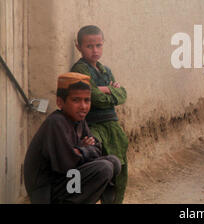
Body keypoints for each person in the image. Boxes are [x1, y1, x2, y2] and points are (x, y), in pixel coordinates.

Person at [24, 73, 122, 204]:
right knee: (104, 168)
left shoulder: (78, 120)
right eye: (76, 100)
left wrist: (80, 151)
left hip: (67, 180)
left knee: (114, 162)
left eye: (87, 100)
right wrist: (83, 150)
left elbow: (97, 149)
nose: (83, 106)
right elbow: (66, 163)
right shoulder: (56, 122)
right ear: (60, 102)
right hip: (48, 190)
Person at [71, 25, 128, 204]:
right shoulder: (80, 69)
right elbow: (94, 98)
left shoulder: (105, 70)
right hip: (93, 126)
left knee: (120, 169)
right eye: (89, 46)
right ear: (78, 46)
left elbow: (123, 94)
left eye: (99, 45)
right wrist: (110, 90)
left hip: (112, 126)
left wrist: (105, 90)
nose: (95, 50)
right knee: (101, 167)